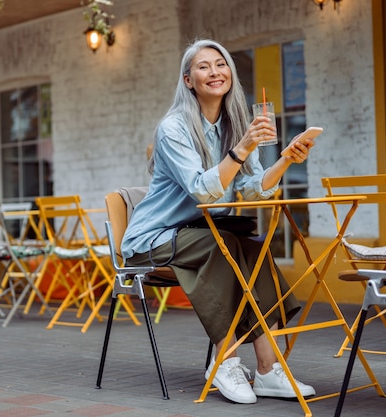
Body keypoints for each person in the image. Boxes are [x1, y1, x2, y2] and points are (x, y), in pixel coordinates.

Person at [121, 39, 316, 404]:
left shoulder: (234, 123)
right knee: (220, 247)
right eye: (203, 66)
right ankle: (224, 361)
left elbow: (254, 189)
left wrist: (287, 159)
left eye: (221, 64)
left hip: (202, 232)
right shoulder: (174, 127)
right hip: (154, 238)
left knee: (255, 250)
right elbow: (201, 191)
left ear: (230, 74)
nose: (215, 71)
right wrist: (241, 149)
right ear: (188, 80)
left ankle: (267, 371)